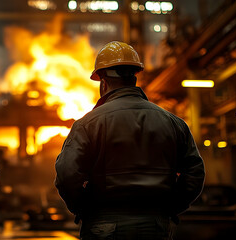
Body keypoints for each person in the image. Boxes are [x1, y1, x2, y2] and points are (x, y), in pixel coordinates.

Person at [54, 41, 205, 240]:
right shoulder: (173, 123)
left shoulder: (88, 124)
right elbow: (195, 172)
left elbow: (66, 175)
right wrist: (170, 208)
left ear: (103, 81)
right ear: (134, 77)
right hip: (156, 226)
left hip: (103, 225)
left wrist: (84, 209)